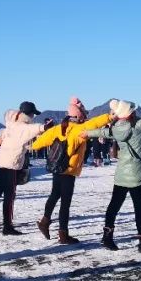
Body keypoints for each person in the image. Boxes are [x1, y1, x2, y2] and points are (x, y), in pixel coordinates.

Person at [82, 87, 141, 252]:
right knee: (140, 209)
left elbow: (102, 131)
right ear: (130, 114)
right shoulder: (137, 127)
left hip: (121, 175)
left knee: (114, 205)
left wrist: (87, 133)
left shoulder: (116, 129)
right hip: (137, 175)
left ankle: (107, 236)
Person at [29, 97, 113, 243]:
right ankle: (63, 233)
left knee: (54, 195)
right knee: (65, 202)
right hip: (68, 169)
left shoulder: (59, 127)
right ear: (79, 115)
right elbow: (95, 123)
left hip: (56, 167)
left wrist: (31, 146)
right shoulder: (80, 129)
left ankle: (45, 221)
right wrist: (109, 117)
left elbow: (39, 142)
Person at [0, 102, 48, 235]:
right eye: (33, 114)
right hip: (11, 164)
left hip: (1, 162)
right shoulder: (23, 127)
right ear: (29, 114)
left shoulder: (11, 124)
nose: (33, 116)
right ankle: (7, 226)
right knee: (9, 196)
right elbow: (36, 129)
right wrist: (46, 126)